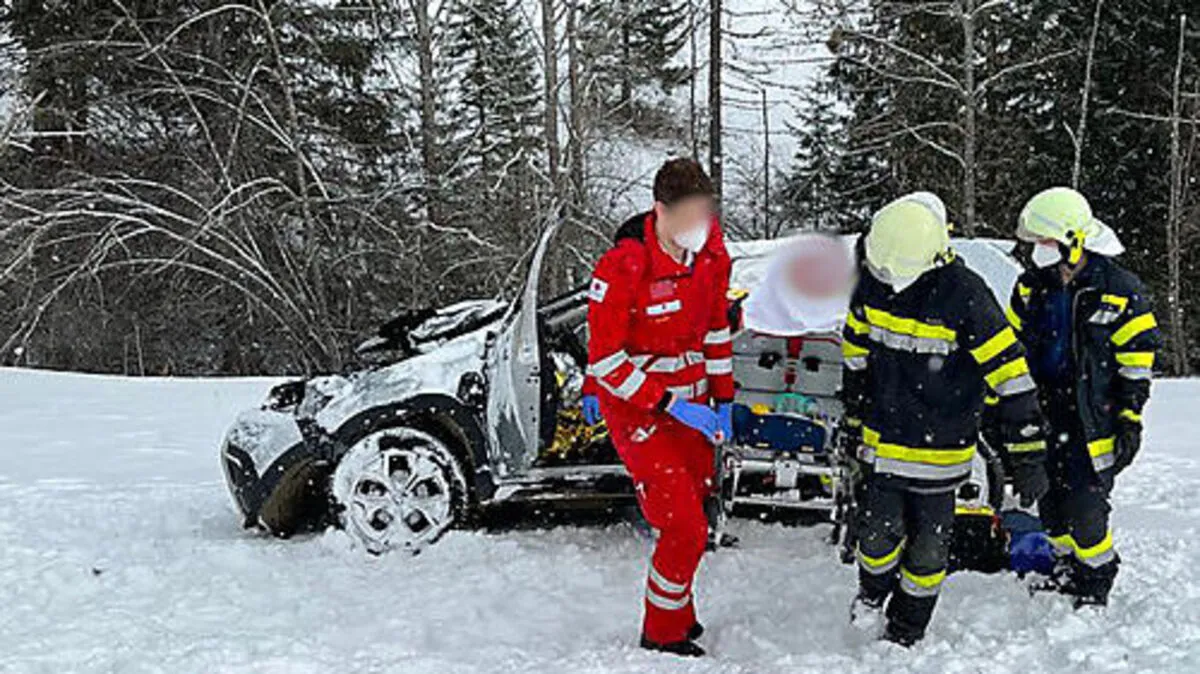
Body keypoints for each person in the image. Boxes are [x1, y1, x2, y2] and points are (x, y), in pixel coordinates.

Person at [842, 192, 1050, 646]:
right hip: (882, 444)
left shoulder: (967, 296)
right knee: (876, 538)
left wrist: (1028, 455)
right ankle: (871, 595)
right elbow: (856, 351)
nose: (892, 282)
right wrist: (853, 413)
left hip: (942, 455)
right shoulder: (875, 280)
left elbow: (1013, 381)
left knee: (929, 551)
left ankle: (905, 630)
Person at [583, 158, 734, 657]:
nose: (699, 226)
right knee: (683, 525)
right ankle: (660, 633)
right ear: (660, 211)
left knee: (698, 515)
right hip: (640, 413)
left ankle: (679, 613)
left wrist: (724, 398)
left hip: (695, 408)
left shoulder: (713, 257)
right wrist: (667, 402)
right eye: (688, 215)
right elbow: (605, 359)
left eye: (705, 214)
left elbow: (716, 331)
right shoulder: (624, 265)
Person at [1007, 187, 1160, 607]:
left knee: (1086, 508)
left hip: (1094, 416)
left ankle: (1096, 577)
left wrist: (1130, 416)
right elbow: (1011, 351)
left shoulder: (1119, 290)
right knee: (1050, 504)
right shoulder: (1029, 288)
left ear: (1073, 240)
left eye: (1044, 242)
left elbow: (1137, 362)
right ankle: (1065, 567)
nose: (1036, 250)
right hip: (1043, 412)